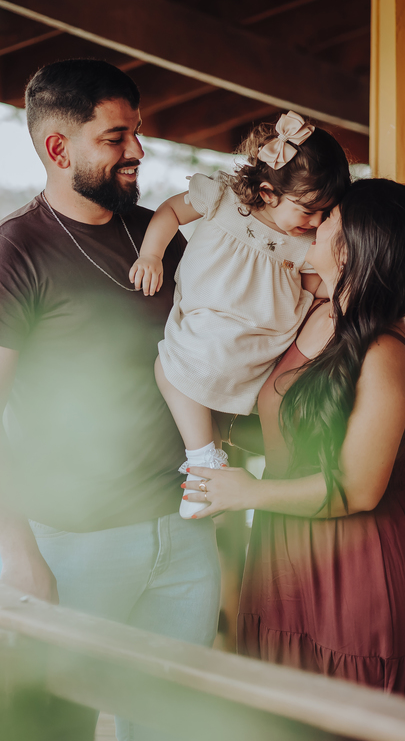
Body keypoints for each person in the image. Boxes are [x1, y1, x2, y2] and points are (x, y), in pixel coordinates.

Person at [0, 59, 221, 741]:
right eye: (115, 137)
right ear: (58, 149)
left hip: (182, 536)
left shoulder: (161, 235)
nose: (137, 152)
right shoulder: (7, 254)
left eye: (136, 133)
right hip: (76, 545)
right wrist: (17, 553)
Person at [184, 179, 405, 705]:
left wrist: (245, 493)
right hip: (282, 555)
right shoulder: (313, 313)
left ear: (354, 242)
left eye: (330, 214)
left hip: (362, 566)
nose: (316, 220)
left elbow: (356, 489)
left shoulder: (385, 354)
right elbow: (284, 427)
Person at [128, 111, 351, 517]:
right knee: (177, 368)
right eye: (307, 210)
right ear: (267, 193)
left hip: (253, 340)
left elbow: (315, 284)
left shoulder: (303, 240)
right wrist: (151, 254)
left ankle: (203, 464)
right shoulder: (224, 199)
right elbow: (170, 212)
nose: (316, 222)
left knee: (169, 368)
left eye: (324, 213)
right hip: (216, 325)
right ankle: (209, 466)